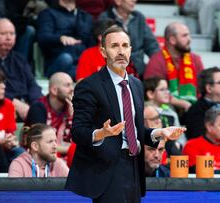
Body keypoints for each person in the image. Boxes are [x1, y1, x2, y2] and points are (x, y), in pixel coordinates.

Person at [66, 25, 186, 202]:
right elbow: (77, 131)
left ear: (130, 50)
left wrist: (158, 132)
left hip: (135, 166)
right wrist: (101, 133)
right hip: (107, 169)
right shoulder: (89, 86)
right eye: (114, 46)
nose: (121, 51)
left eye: (125, 46)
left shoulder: (136, 85)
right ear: (103, 52)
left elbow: (133, 130)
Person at [0, 18, 42, 120]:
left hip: (26, 105)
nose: (9, 38)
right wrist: (14, 103)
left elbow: (32, 84)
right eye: (3, 34)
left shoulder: (20, 59)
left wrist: (34, 105)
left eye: (12, 34)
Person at [144, 22, 204, 109]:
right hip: (165, 109)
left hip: (193, 108)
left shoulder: (195, 59)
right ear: (172, 40)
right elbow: (154, 93)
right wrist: (183, 104)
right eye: (184, 36)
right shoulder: (156, 61)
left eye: (189, 35)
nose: (189, 39)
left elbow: (202, 88)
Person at [99, 0, 160, 77]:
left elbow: (152, 45)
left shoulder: (139, 17)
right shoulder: (105, 18)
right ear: (118, 1)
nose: (134, 1)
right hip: (114, 70)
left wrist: (158, 63)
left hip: (139, 71)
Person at [37, 0, 95, 79]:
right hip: (58, 61)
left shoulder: (85, 16)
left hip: (81, 60)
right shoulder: (48, 14)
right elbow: (43, 37)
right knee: (66, 59)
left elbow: (91, 43)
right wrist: (60, 38)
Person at [25, 72, 74, 158]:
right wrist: (71, 149)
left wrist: (72, 117)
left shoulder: (71, 108)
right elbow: (39, 144)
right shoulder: (38, 108)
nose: (72, 89)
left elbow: (74, 139)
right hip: (38, 159)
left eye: (72, 85)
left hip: (64, 157)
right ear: (54, 90)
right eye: (67, 85)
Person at [144, 77, 184, 156]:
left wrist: (179, 144)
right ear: (150, 94)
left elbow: (181, 137)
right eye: (162, 89)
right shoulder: (143, 111)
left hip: (171, 153)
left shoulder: (171, 113)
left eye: (167, 89)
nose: (167, 92)